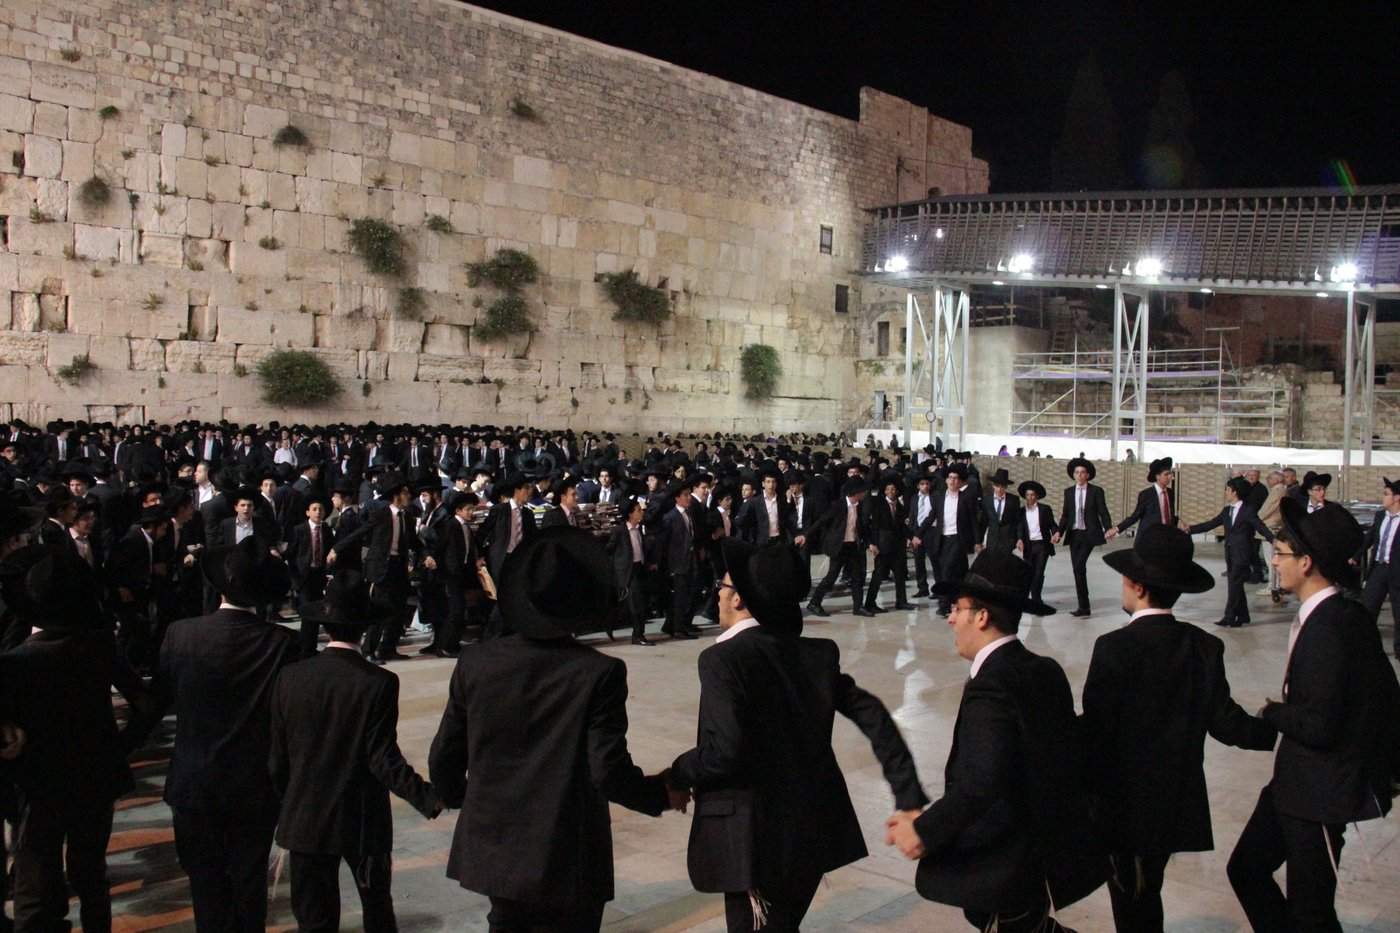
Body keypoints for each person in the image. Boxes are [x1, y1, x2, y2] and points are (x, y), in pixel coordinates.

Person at [428, 527, 683, 933]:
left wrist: (468, 800)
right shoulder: (598, 673)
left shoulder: (476, 662)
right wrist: (659, 794)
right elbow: (607, 770)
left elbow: (444, 756)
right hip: (568, 849)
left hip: (497, 844)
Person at [669, 537, 927, 932]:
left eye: (722, 586)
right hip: (812, 833)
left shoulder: (722, 659)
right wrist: (908, 797)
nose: (717, 594)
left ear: (738, 599)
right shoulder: (815, 655)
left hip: (753, 845)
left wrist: (678, 772)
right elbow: (873, 715)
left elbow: (725, 750)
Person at [886, 550, 1104, 931]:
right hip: (1039, 860)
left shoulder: (991, 685)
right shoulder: (1045, 670)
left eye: (957, 609)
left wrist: (924, 830)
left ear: (982, 616)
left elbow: (982, 780)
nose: (950, 618)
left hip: (1004, 864)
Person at [1084, 524, 1279, 932]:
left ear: (1137, 586)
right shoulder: (1204, 647)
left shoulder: (1113, 648)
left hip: (1124, 810)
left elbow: (1096, 736)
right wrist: (1272, 728)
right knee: (1147, 891)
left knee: (1132, 905)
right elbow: (1225, 723)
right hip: (1174, 805)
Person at [1227, 498, 1400, 931]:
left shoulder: (1330, 628)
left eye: (1280, 553)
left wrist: (1274, 712)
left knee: (1312, 912)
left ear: (1306, 563)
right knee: (1246, 868)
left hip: (1320, 792)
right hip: (1294, 783)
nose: (1274, 562)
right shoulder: (1341, 615)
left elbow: (1322, 726)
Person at [270, 570, 444, 933]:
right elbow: (381, 757)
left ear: (324, 625)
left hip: (306, 818)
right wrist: (427, 796)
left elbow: (277, 758)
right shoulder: (378, 682)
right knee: (377, 912)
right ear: (364, 628)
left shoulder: (291, 677)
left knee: (315, 921)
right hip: (361, 818)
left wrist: (289, 802)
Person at [0, 550, 156, 933]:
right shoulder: (100, 647)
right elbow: (146, 705)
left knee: (36, 888)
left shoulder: (15, 662)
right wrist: (121, 746)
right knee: (91, 876)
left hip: (38, 787)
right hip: (95, 779)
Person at [150, 536, 298, 933]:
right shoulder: (283, 642)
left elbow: (156, 703)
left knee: (205, 883)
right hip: (255, 784)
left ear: (219, 588)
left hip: (195, 780)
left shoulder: (180, 634)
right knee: (249, 881)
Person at [1184, 476, 1274, 627]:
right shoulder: (1227, 511)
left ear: (1234, 492)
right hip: (1230, 554)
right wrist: (1190, 529)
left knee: (1233, 584)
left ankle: (1229, 616)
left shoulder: (1248, 511)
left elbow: (1261, 527)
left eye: (1228, 490)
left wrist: (1275, 541)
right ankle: (1244, 615)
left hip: (1242, 554)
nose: (1226, 492)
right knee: (1236, 585)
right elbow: (1211, 524)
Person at [919, 462, 983, 617]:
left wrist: (977, 541)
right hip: (942, 539)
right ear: (946, 480)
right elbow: (932, 516)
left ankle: (944, 605)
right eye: (950, 478)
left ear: (960, 482)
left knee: (947, 570)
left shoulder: (966, 498)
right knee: (949, 572)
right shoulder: (940, 497)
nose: (953, 481)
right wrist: (918, 534)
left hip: (958, 539)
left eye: (956, 478)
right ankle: (958, 601)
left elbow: (974, 521)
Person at [801, 477, 871, 617]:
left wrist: (869, 542)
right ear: (857, 492)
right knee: (831, 577)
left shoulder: (859, 506)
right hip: (838, 546)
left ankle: (858, 607)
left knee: (857, 577)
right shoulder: (838, 505)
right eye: (863, 491)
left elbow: (861, 527)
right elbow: (821, 521)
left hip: (852, 545)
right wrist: (805, 535)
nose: (865, 493)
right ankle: (814, 603)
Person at [1053, 457, 1113, 617]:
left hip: (1089, 533)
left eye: (1082, 473)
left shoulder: (1096, 491)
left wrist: (1108, 528)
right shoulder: (1069, 492)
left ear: (1088, 475)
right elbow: (1066, 515)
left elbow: (1103, 512)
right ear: (1073, 475)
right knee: (1077, 569)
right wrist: (1059, 532)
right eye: (1077, 473)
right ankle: (1084, 607)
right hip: (1074, 534)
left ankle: (1084, 606)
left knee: (1079, 565)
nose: (1079, 476)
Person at [1359, 476, 1400, 658]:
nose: (1383, 497)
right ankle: (1365, 647)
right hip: (1379, 568)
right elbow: (1370, 539)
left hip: (1396, 570)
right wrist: (1355, 555)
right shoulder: (1380, 516)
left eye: (1386, 494)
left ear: (1396, 498)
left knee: (1398, 612)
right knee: (1368, 608)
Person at [863, 473, 915, 611]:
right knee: (878, 575)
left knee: (900, 575)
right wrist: (872, 543)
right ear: (884, 491)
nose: (890, 491)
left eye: (893, 489)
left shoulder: (900, 507)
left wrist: (912, 537)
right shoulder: (878, 505)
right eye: (888, 489)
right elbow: (873, 526)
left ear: (897, 491)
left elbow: (902, 526)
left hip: (897, 547)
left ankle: (901, 602)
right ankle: (870, 603)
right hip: (882, 547)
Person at [607, 497, 652, 645]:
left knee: (641, 603)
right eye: (638, 510)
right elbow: (610, 550)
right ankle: (638, 635)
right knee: (636, 605)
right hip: (628, 572)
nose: (642, 513)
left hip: (640, 568)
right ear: (630, 514)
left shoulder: (639, 529)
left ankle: (639, 633)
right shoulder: (619, 530)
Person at [1108, 456, 1174, 540]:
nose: (1169, 477)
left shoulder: (1171, 493)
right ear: (1157, 476)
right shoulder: (1146, 495)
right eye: (1166, 474)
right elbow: (1135, 516)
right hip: (1149, 538)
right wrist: (1117, 529)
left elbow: (1169, 515)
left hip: (1166, 537)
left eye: (1170, 474)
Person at [1015, 480, 1055, 603]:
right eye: (1028, 495)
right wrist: (1019, 539)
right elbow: (1020, 527)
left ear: (1037, 496)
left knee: (1039, 573)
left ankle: (1036, 598)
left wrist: (1056, 533)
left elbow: (1052, 524)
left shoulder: (1045, 509)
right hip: (1029, 545)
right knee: (1030, 572)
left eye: (1032, 495)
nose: (1030, 497)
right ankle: (1033, 598)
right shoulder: (1021, 511)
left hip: (1042, 545)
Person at [979, 467, 1020, 555]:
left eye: (1002, 486)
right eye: (997, 486)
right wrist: (979, 541)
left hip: (1008, 541)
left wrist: (1018, 539)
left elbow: (1017, 521)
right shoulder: (987, 500)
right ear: (993, 485)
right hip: (992, 540)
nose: (999, 489)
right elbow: (984, 522)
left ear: (1006, 487)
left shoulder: (1013, 500)